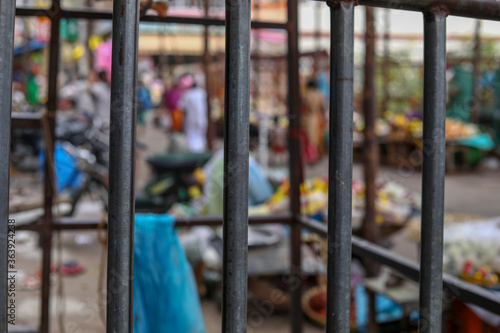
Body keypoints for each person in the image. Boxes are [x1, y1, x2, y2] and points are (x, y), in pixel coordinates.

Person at [178, 75, 208, 153]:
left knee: (192, 137)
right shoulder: (202, 92)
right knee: (200, 136)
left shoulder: (187, 94)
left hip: (191, 120)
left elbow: (181, 107)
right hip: (201, 119)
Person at [301, 78, 325, 162]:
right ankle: (314, 156)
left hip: (307, 118)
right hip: (317, 118)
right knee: (314, 138)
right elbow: (322, 108)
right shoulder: (319, 95)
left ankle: (311, 156)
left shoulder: (306, 95)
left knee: (308, 139)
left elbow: (304, 107)